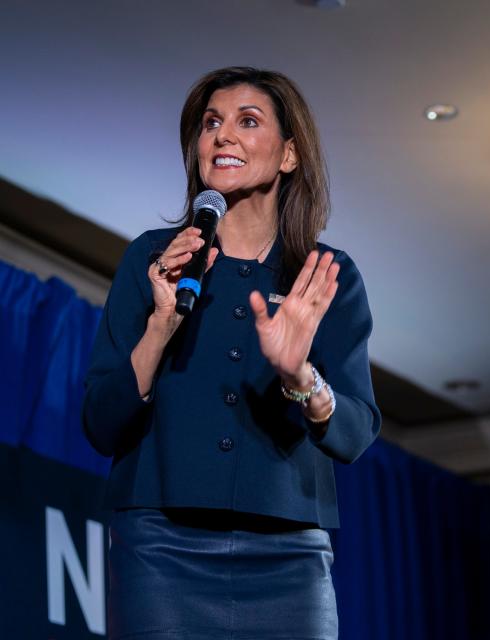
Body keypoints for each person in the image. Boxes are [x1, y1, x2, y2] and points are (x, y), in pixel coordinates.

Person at [82, 67, 381, 640]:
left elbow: (355, 431)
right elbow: (100, 422)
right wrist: (160, 326)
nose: (222, 136)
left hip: (289, 555)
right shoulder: (155, 260)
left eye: (248, 121)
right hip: (160, 549)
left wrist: (300, 373)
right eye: (211, 123)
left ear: (289, 155)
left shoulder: (323, 275)